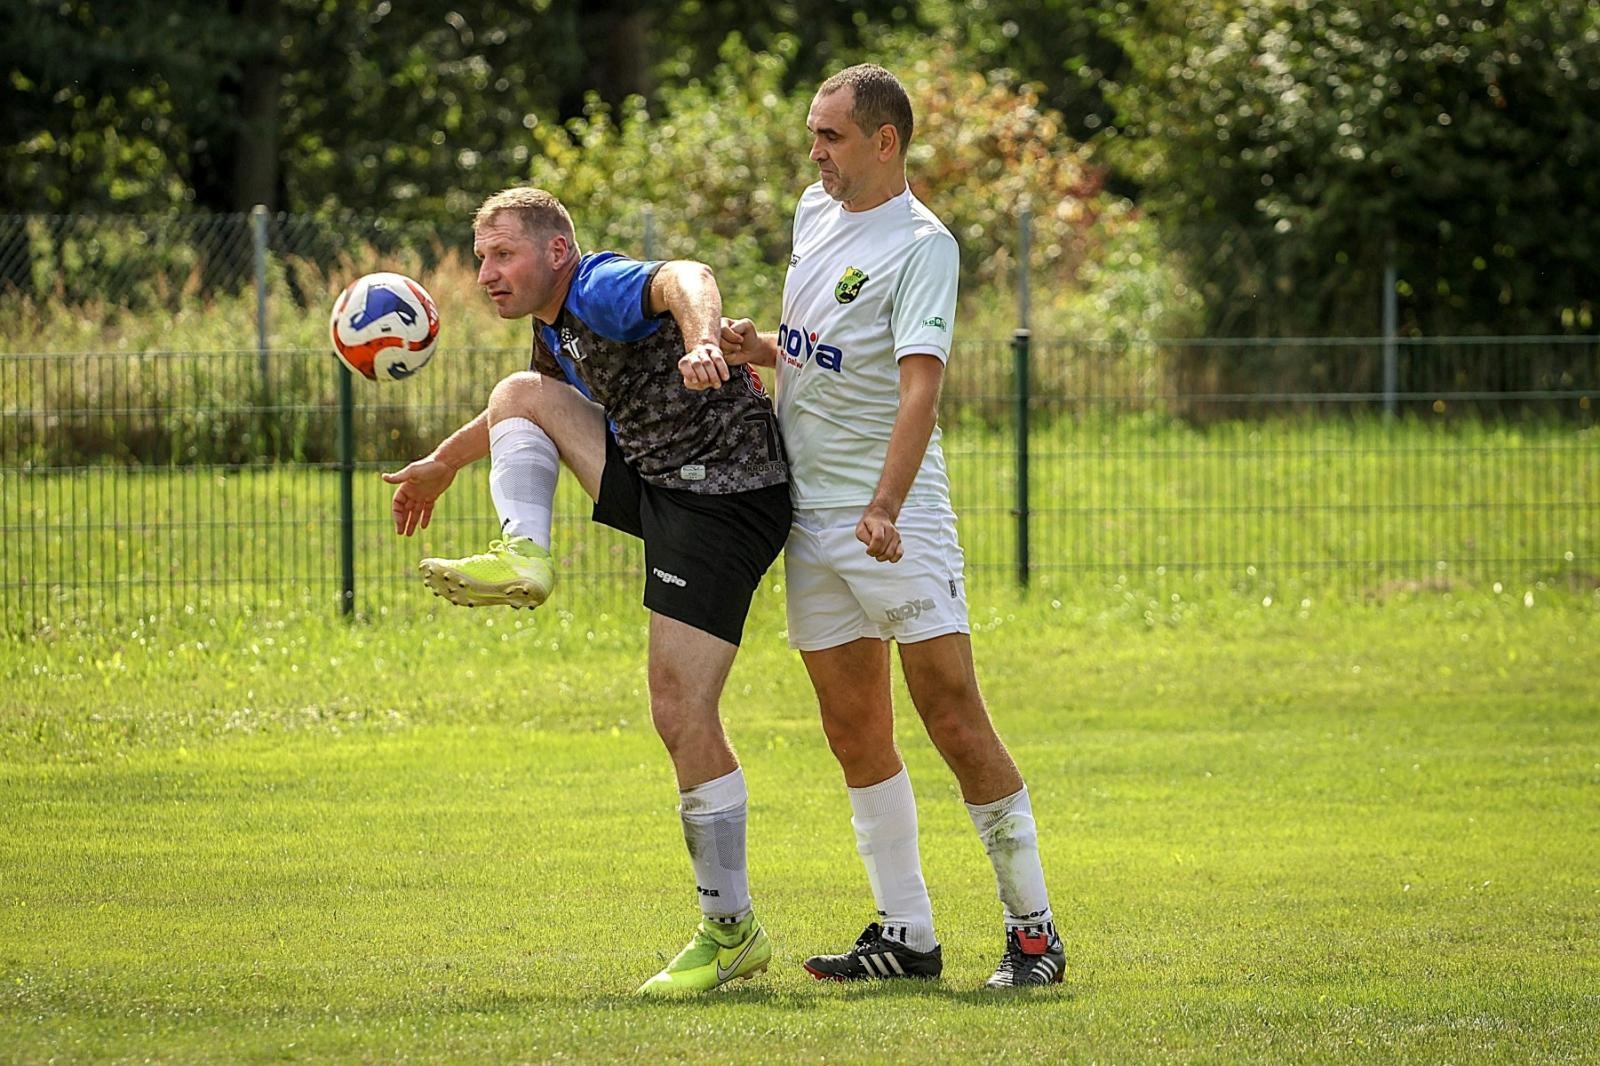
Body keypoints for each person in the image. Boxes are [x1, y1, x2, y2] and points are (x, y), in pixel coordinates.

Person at [382, 187, 790, 996]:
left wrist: (705, 340)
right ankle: (524, 557)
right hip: (666, 487)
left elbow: (687, 275)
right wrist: (441, 463)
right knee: (517, 396)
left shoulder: (596, 285)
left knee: (680, 712)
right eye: (480, 258)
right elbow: (525, 410)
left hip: (724, 494)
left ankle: (731, 932)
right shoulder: (551, 329)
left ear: (556, 253)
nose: (486, 273)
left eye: (503, 254)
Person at [710, 64, 1064, 988]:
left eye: (831, 136)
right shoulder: (811, 214)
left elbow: (920, 388)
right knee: (852, 728)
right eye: (814, 135)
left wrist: (885, 506)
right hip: (811, 513)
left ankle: (1034, 934)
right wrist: (764, 349)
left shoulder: (923, 244)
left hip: (893, 521)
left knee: (952, 714)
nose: (816, 152)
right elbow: (820, 358)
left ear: (885, 141)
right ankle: (906, 936)